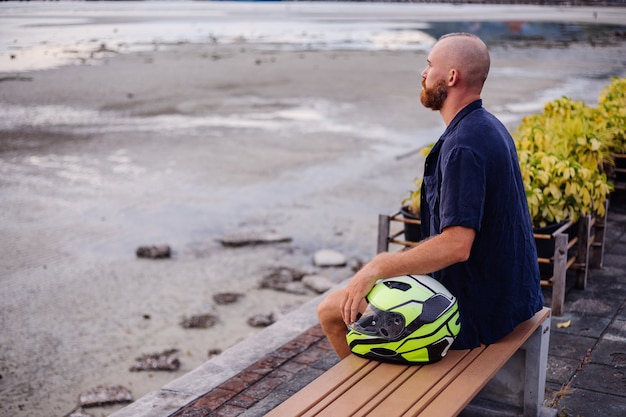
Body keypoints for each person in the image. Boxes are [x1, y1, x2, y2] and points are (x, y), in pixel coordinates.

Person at [317, 33, 544, 358]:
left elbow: (457, 245)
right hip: (510, 298)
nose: (423, 73)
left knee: (331, 310)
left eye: (429, 65)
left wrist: (379, 266)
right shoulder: (488, 126)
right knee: (359, 301)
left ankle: (373, 397)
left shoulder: (463, 147)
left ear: (452, 77)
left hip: (476, 314)